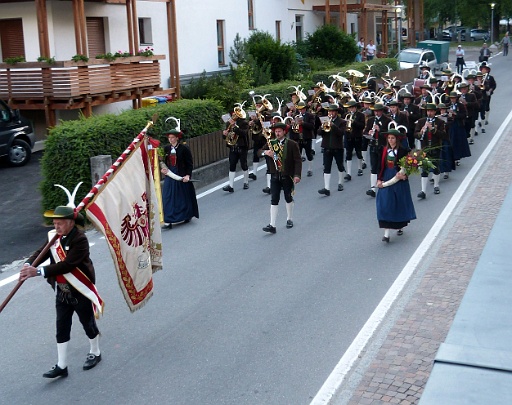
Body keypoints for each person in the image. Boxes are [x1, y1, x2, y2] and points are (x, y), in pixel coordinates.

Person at [19, 205, 103, 378]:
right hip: (62, 291)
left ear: (71, 223)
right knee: (61, 327)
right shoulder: (54, 237)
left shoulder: (80, 240)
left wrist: (39, 272)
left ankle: (95, 352)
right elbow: (41, 253)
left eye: (60, 223)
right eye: (54, 223)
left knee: (87, 323)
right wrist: (29, 264)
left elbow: (67, 265)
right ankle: (61, 365)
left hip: (79, 289)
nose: (56, 227)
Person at [260, 122, 302, 233]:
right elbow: (258, 152)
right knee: (274, 199)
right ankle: (272, 225)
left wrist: (297, 175)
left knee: (288, 197)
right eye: (276, 131)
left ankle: (289, 218)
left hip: (287, 175)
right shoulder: (270, 143)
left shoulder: (292, 144)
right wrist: (266, 152)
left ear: (284, 132)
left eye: (279, 131)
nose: (277, 133)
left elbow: (298, 161)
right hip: (274, 175)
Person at [376, 130, 416, 242]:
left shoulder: (403, 151)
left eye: (392, 138)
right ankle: (386, 234)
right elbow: (380, 166)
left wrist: (405, 176)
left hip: (398, 180)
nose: (390, 140)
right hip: (386, 177)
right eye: (389, 138)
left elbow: (409, 167)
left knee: (399, 203)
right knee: (385, 204)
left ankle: (400, 225)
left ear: (397, 139)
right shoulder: (384, 150)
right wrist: (379, 179)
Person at [160, 128, 199, 228]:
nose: (171, 139)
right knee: (167, 196)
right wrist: (164, 170)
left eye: (173, 137)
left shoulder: (184, 148)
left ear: (177, 138)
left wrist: (187, 175)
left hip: (180, 174)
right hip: (170, 174)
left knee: (182, 196)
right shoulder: (166, 149)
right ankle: (168, 220)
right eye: (169, 138)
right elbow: (165, 162)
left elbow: (189, 163)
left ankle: (187, 215)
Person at [414, 103, 448, 198]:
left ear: (434, 112)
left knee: (435, 168)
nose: (429, 113)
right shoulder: (421, 121)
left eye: (431, 111)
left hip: (435, 147)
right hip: (424, 148)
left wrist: (433, 129)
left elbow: (444, 135)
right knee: (424, 169)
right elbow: (415, 134)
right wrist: (421, 132)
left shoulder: (440, 122)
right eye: (428, 111)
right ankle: (423, 191)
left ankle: (436, 186)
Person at [317, 104, 347, 196]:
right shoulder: (325, 121)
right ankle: (327, 188)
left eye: (333, 111)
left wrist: (333, 125)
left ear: (336, 112)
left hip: (338, 147)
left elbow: (341, 133)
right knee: (326, 167)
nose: (331, 113)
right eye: (329, 111)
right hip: (327, 147)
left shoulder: (342, 121)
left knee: (340, 165)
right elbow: (318, 133)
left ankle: (340, 183)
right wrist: (322, 127)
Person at [363, 103, 392, 197]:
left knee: (382, 166)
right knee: (373, 166)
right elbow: (365, 131)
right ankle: (372, 188)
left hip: (382, 146)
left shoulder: (387, 120)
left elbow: (390, 134)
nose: (376, 113)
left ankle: (382, 185)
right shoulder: (371, 120)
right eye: (375, 111)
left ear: (382, 111)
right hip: (373, 145)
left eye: (378, 111)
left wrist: (380, 130)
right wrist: (369, 132)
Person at [222, 105, 250, 192]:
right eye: (233, 114)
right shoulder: (228, 123)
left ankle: (246, 182)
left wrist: (235, 127)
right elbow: (225, 137)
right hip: (233, 147)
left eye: (235, 114)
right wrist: (224, 134)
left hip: (242, 147)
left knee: (243, 164)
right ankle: (231, 185)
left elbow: (243, 133)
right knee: (232, 165)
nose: (234, 116)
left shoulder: (244, 123)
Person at [343, 100, 366, 179]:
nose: (351, 109)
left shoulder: (361, 115)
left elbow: (362, 126)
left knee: (358, 153)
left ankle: (360, 168)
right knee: (348, 154)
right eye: (350, 108)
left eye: (352, 108)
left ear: (355, 107)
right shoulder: (346, 115)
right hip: (348, 136)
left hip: (357, 136)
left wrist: (354, 122)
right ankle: (348, 173)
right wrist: (345, 123)